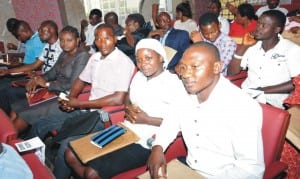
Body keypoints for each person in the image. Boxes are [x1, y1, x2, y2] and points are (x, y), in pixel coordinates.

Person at [64, 38, 185, 179]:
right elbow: (128, 96)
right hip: (126, 129)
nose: (143, 64)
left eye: (148, 58)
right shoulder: (139, 76)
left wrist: (147, 119)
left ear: (161, 57)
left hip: (148, 140)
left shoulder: (174, 84)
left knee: (91, 173)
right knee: (70, 154)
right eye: (139, 60)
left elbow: (180, 121)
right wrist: (127, 107)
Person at [27, 24, 135, 179]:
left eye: (107, 38)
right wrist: (71, 98)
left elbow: (119, 98)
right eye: (98, 39)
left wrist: (79, 104)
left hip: (105, 117)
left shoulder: (123, 62)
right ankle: (32, 165)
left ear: (115, 39)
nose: (102, 43)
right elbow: (80, 79)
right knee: (41, 124)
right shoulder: (95, 58)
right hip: (86, 109)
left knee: (67, 146)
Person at [147, 41, 265, 178]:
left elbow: (250, 170)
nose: (186, 74)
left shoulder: (241, 106)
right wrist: (157, 147)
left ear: (217, 67)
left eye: (195, 67)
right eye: (183, 68)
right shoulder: (184, 94)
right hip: (190, 168)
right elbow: (171, 123)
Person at [9, 25, 89, 133]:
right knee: (17, 107)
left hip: (66, 97)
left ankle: (7, 142)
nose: (64, 43)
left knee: (25, 114)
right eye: (62, 40)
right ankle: (5, 137)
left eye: (69, 40)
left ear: (77, 40)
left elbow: (73, 84)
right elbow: (52, 73)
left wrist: (46, 84)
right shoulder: (64, 53)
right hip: (54, 90)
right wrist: (38, 78)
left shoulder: (82, 55)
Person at [228, 10, 300, 109]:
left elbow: (296, 82)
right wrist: (243, 47)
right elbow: (231, 73)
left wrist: (261, 90)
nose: (257, 28)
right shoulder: (252, 46)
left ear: (277, 29)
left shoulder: (291, 49)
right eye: (258, 24)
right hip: (247, 97)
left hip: (273, 101)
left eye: (263, 26)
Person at [0, 20, 62, 118]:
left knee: (11, 93)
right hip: (41, 79)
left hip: (49, 84)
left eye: (41, 30)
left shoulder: (61, 47)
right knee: (13, 102)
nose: (38, 33)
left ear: (50, 31)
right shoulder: (47, 46)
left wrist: (38, 78)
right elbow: (33, 65)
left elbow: (57, 73)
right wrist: (8, 71)